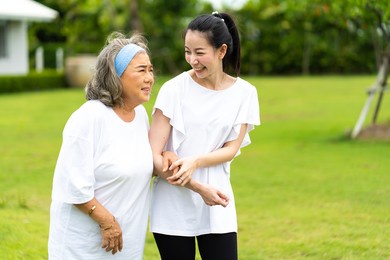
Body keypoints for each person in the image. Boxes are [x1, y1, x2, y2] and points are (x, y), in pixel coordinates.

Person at [149, 11, 260, 260]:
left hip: (217, 200)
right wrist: (197, 187)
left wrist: (195, 161)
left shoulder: (245, 94)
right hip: (172, 204)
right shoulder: (174, 90)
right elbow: (153, 156)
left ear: (221, 51)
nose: (192, 60)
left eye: (200, 53)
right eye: (187, 51)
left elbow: (231, 148)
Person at [48, 32, 155, 259]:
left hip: (126, 245)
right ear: (116, 75)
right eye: (141, 70)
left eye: (151, 69)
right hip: (82, 246)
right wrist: (107, 222)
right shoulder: (90, 117)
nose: (149, 78)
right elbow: (73, 184)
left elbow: (141, 163)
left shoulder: (140, 116)